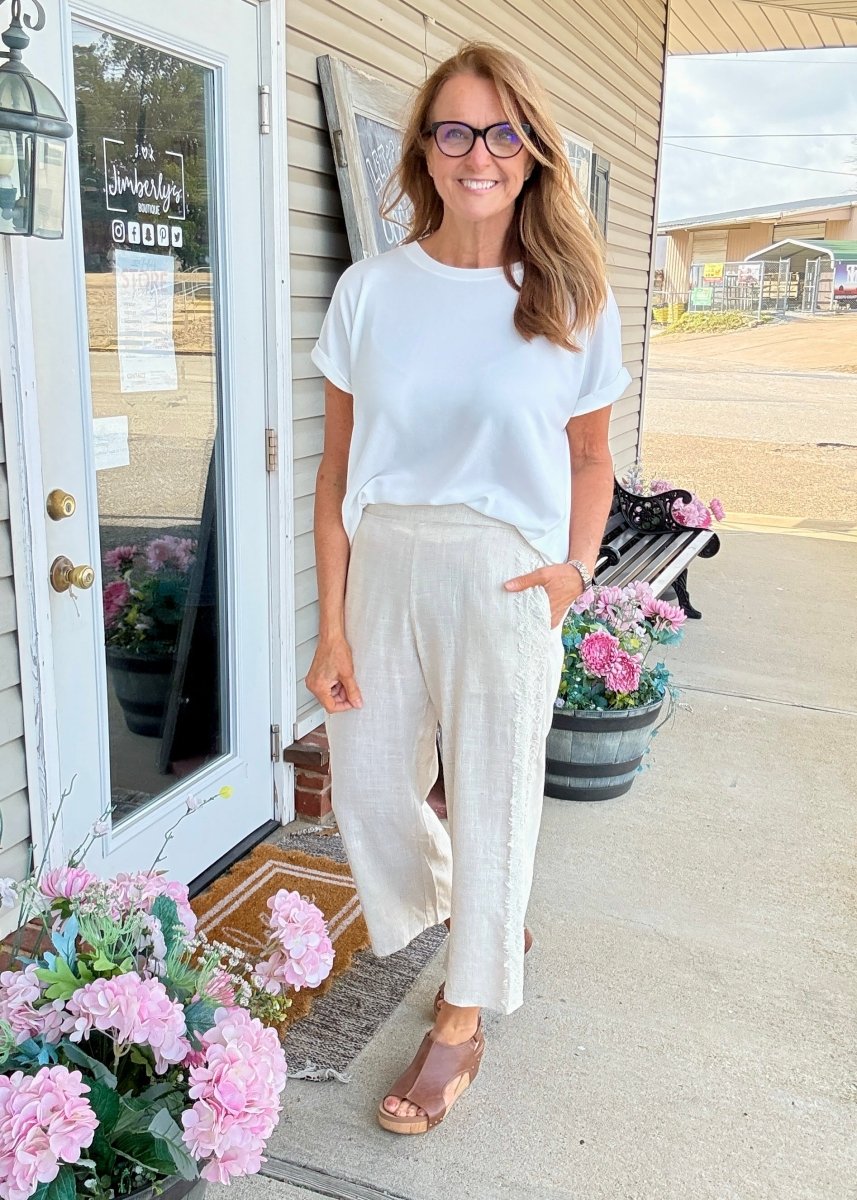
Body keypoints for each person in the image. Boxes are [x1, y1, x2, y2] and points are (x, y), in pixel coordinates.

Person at [307, 41, 631, 1135]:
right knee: (367, 790)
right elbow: (336, 472)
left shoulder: (568, 296)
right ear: (425, 152)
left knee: (494, 798)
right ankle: (482, 910)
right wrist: (330, 626)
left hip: (503, 577)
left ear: (530, 150)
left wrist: (571, 575)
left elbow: (592, 464)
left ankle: (460, 1016)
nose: (476, 153)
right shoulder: (370, 290)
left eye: (499, 132)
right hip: (384, 560)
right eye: (453, 130)